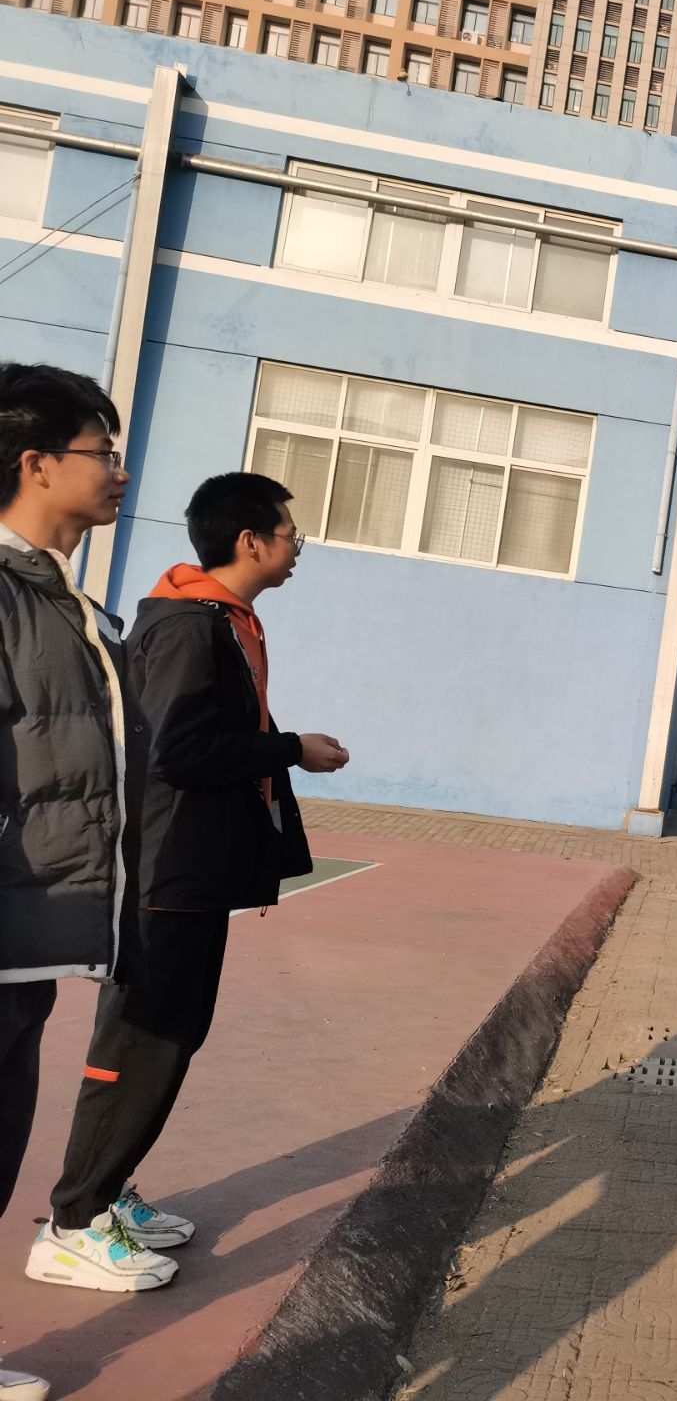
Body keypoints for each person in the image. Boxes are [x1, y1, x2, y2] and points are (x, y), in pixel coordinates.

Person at [30, 473, 349, 1294]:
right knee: (141, 1043)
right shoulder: (186, 626)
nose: (297, 548)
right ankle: (74, 1223)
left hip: (192, 872)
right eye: (290, 534)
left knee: (172, 1037)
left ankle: (106, 1195)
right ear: (251, 541)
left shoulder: (220, 621)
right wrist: (291, 748)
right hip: (164, 873)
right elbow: (176, 750)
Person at [0, 363, 149, 1396]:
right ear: (38, 463)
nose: (120, 471)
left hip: (34, 933)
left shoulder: (63, 601)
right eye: (104, 451)